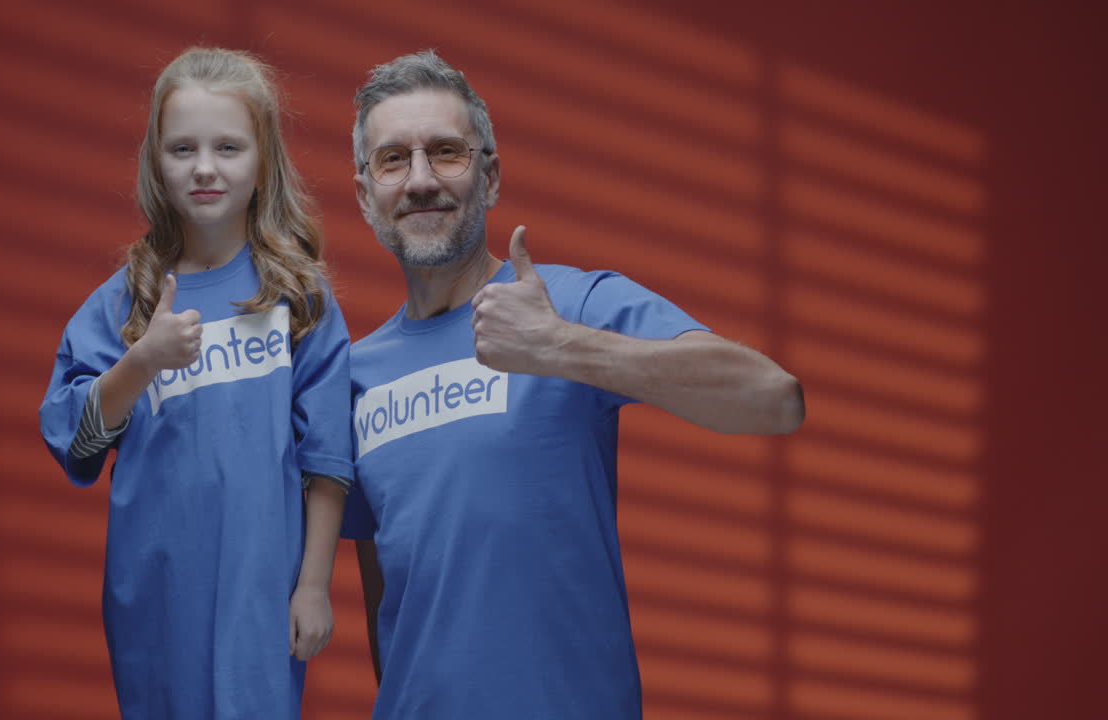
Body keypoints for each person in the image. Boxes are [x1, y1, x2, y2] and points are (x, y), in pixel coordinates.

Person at [341, 50, 805, 719]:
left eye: (445, 152)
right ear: (365, 196)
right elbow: (388, 605)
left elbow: (773, 400)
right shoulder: (354, 377)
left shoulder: (571, 304)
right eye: (393, 160)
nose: (420, 180)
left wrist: (563, 347)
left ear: (489, 177)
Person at [39, 47, 352, 720]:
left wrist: (314, 585)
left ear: (263, 161)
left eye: (228, 147)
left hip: (262, 588)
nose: (204, 167)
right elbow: (75, 443)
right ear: (156, 161)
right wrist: (142, 361)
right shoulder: (123, 302)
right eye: (182, 148)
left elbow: (327, 458)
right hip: (156, 590)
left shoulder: (297, 298)